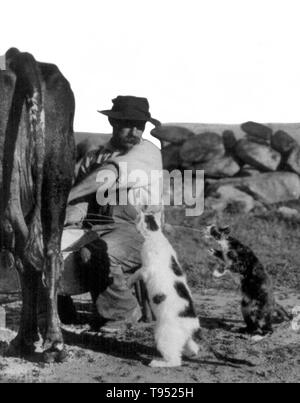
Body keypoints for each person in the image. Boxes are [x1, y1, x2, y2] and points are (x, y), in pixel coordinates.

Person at [64, 96, 163, 332]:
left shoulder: (147, 151)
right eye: (128, 124)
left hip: (140, 230)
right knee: (53, 245)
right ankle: (60, 311)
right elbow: (79, 199)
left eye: (140, 126)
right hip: (96, 225)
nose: (135, 132)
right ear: (112, 123)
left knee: (96, 252)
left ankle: (123, 312)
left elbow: (109, 174)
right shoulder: (95, 156)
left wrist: (68, 196)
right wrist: (61, 219)